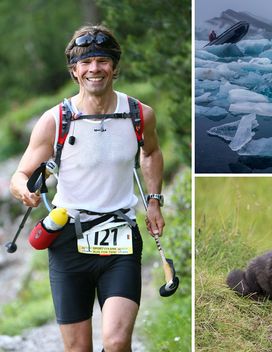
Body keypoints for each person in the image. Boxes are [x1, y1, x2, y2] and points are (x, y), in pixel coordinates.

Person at [9, 25, 165, 352]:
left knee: (117, 341)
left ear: (115, 66)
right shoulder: (56, 120)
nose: (95, 68)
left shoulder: (139, 115)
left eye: (103, 61)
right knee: (78, 349)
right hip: (68, 240)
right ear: (74, 71)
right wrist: (25, 188)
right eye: (86, 62)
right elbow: (20, 174)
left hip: (120, 235)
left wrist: (153, 201)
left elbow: (150, 152)